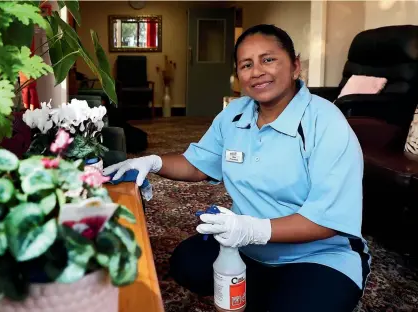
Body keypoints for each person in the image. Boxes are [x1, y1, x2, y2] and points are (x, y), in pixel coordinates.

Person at [102, 24, 370, 312]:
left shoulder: (326, 123)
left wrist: (251, 228)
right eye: (246, 64)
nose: (256, 72)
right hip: (245, 247)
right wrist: (151, 162)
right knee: (186, 263)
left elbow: (327, 220)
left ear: (295, 66)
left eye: (268, 59)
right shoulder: (235, 113)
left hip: (319, 255)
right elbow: (198, 164)